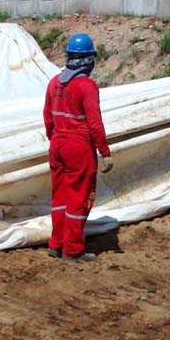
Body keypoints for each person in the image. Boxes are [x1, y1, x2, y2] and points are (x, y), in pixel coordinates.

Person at [43, 33, 113, 262]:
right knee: (78, 199)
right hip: (78, 147)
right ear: (89, 59)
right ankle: (72, 250)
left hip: (57, 145)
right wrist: (105, 152)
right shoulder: (86, 86)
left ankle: (56, 244)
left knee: (60, 197)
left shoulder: (54, 83)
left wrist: (56, 140)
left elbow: (48, 117)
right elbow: (94, 123)